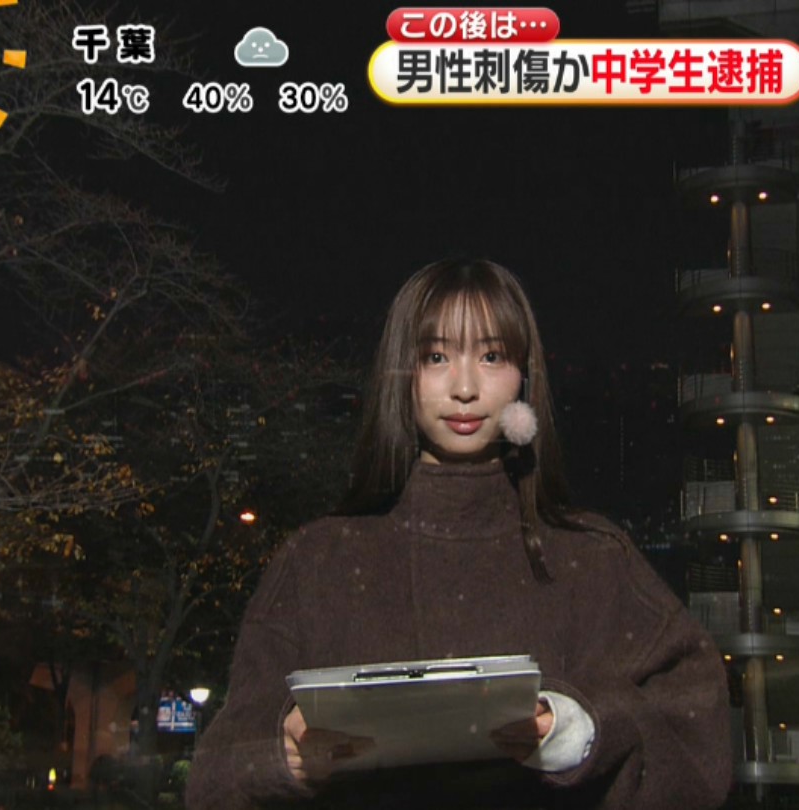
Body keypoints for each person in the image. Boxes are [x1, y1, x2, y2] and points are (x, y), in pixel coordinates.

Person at [186, 259, 730, 809]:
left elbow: (696, 727)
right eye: (436, 357)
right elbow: (216, 774)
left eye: (491, 356)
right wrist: (283, 758)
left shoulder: (592, 557)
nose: (465, 388)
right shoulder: (317, 560)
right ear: (401, 373)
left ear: (524, 374)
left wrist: (578, 730)